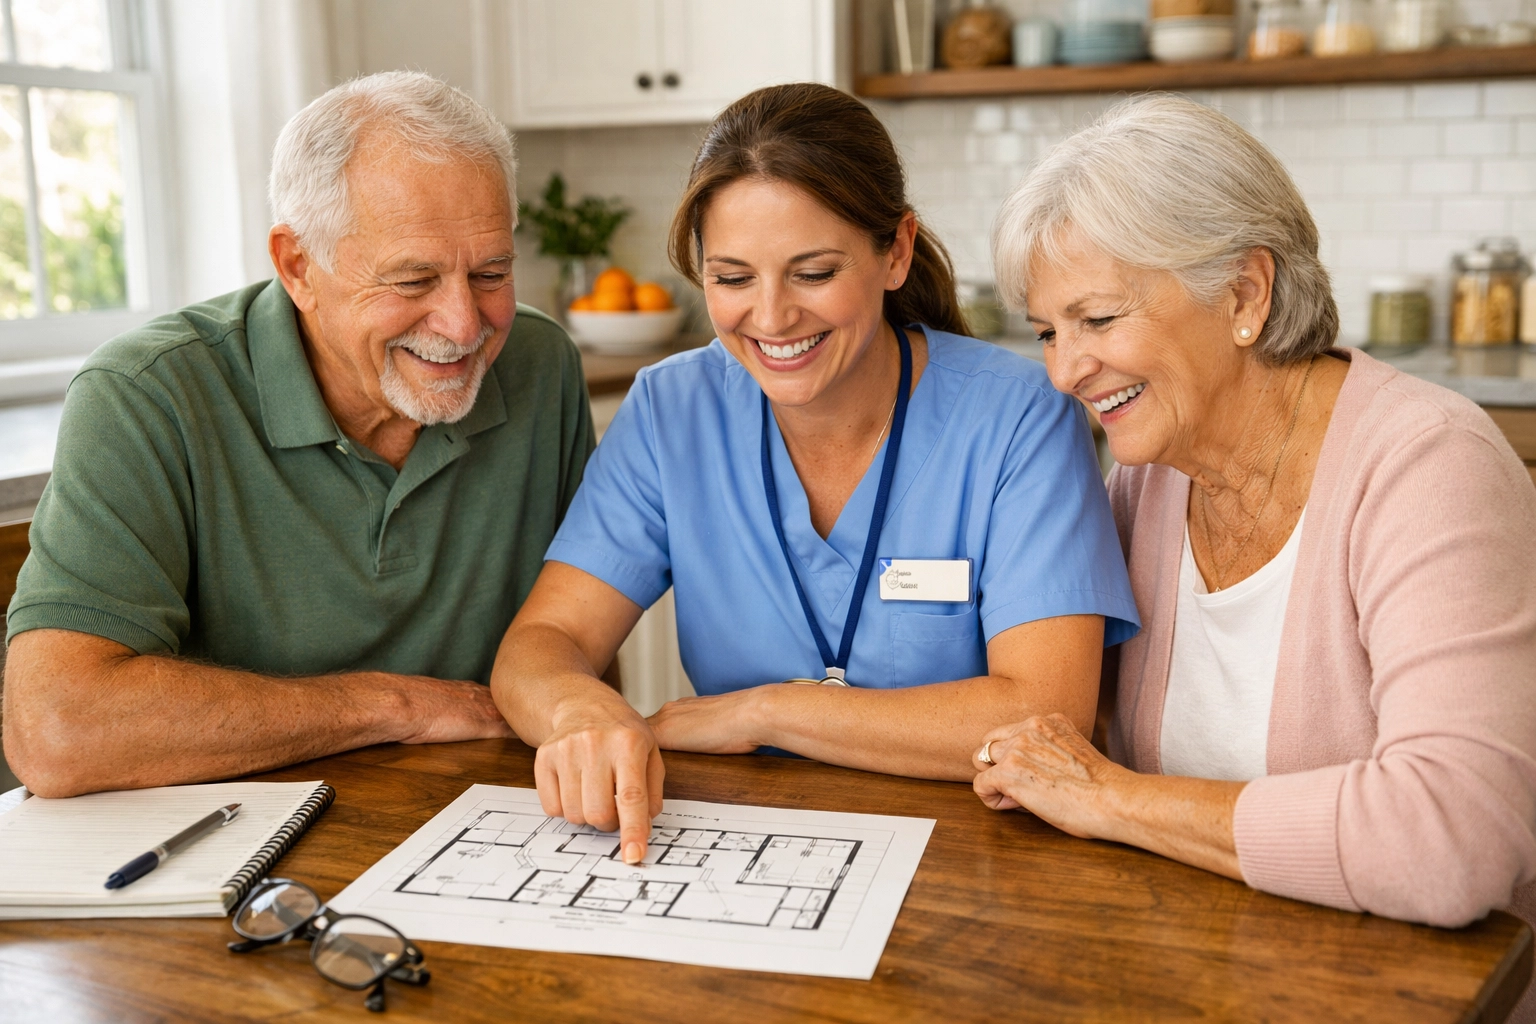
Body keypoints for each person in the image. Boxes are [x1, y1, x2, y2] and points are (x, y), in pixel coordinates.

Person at [978, 92, 1536, 1012]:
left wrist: (1113, 801)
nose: (1064, 371)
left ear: (1244, 293)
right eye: (1049, 331)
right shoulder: (1149, 477)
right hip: (1208, 974)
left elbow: (1453, 838)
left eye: (1099, 320)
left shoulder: (1430, 466)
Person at [492, 83, 1139, 867]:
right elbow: (542, 643)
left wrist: (769, 712)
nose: (770, 318)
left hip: (975, 861)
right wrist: (578, 714)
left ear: (895, 251)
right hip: (735, 854)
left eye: (812, 272)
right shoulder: (673, 410)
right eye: (732, 279)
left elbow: (1047, 712)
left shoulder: (1019, 417)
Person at [2, 72, 595, 798]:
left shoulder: (542, 364)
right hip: (225, 838)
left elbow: (578, 645)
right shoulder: (146, 393)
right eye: (412, 281)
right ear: (297, 266)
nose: (464, 325)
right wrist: (402, 705)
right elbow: (58, 732)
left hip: (470, 820)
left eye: (492, 272)